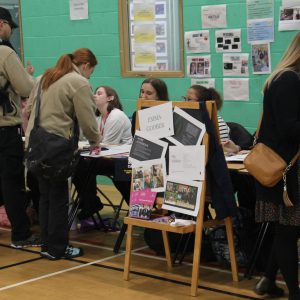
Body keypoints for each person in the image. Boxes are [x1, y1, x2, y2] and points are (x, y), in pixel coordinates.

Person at [26, 48, 100, 260]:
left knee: (45, 198)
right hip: (57, 148)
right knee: (59, 199)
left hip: (37, 144)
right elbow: (87, 120)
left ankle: (47, 244)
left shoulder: (46, 76)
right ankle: (58, 248)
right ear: (85, 66)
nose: (89, 77)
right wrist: (95, 141)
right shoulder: (78, 82)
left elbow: (29, 108)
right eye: (91, 72)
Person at [253, 33, 300, 300]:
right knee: (288, 231)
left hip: (288, 169)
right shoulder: (288, 80)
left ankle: (269, 279)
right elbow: (288, 128)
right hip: (286, 171)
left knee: (288, 229)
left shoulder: (288, 79)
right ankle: (295, 292)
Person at [0, 7, 39, 248]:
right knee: (12, 183)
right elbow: (26, 88)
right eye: (9, 27)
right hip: (5, 128)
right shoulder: (4, 52)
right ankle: (21, 234)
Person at [73, 86, 132, 220]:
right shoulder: (98, 117)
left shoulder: (116, 115)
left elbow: (107, 144)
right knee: (78, 163)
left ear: (110, 98)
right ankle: (89, 200)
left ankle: (89, 201)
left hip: (122, 161)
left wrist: (91, 142)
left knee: (83, 165)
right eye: (95, 93)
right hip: (107, 158)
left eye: (99, 93)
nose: (95, 96)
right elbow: (84, 138)